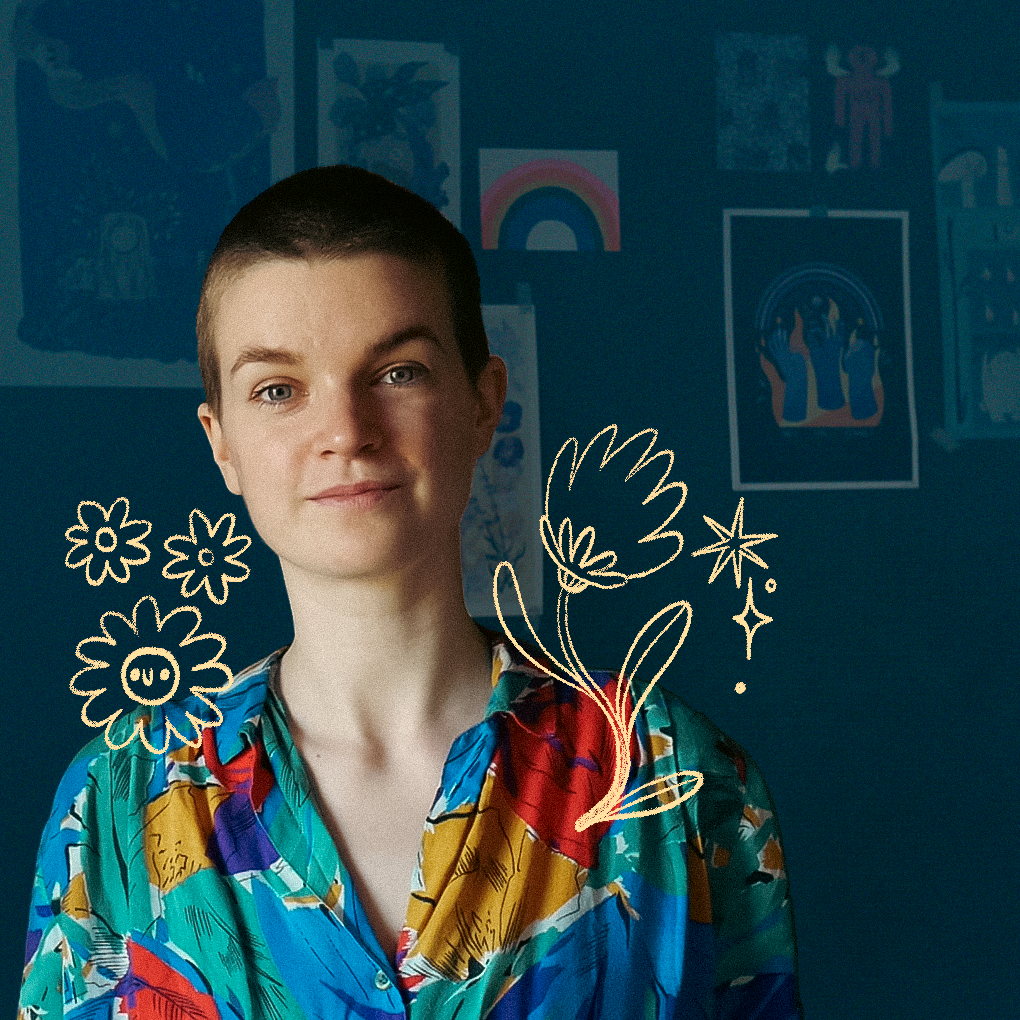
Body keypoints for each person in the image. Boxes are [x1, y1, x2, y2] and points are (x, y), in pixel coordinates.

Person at [19, 166, 805, 1019]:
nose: (346, 432)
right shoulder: (118, 801)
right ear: (224, 445)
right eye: (278, 390)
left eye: (397, 373)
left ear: (483, 403)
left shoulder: (676, 778)